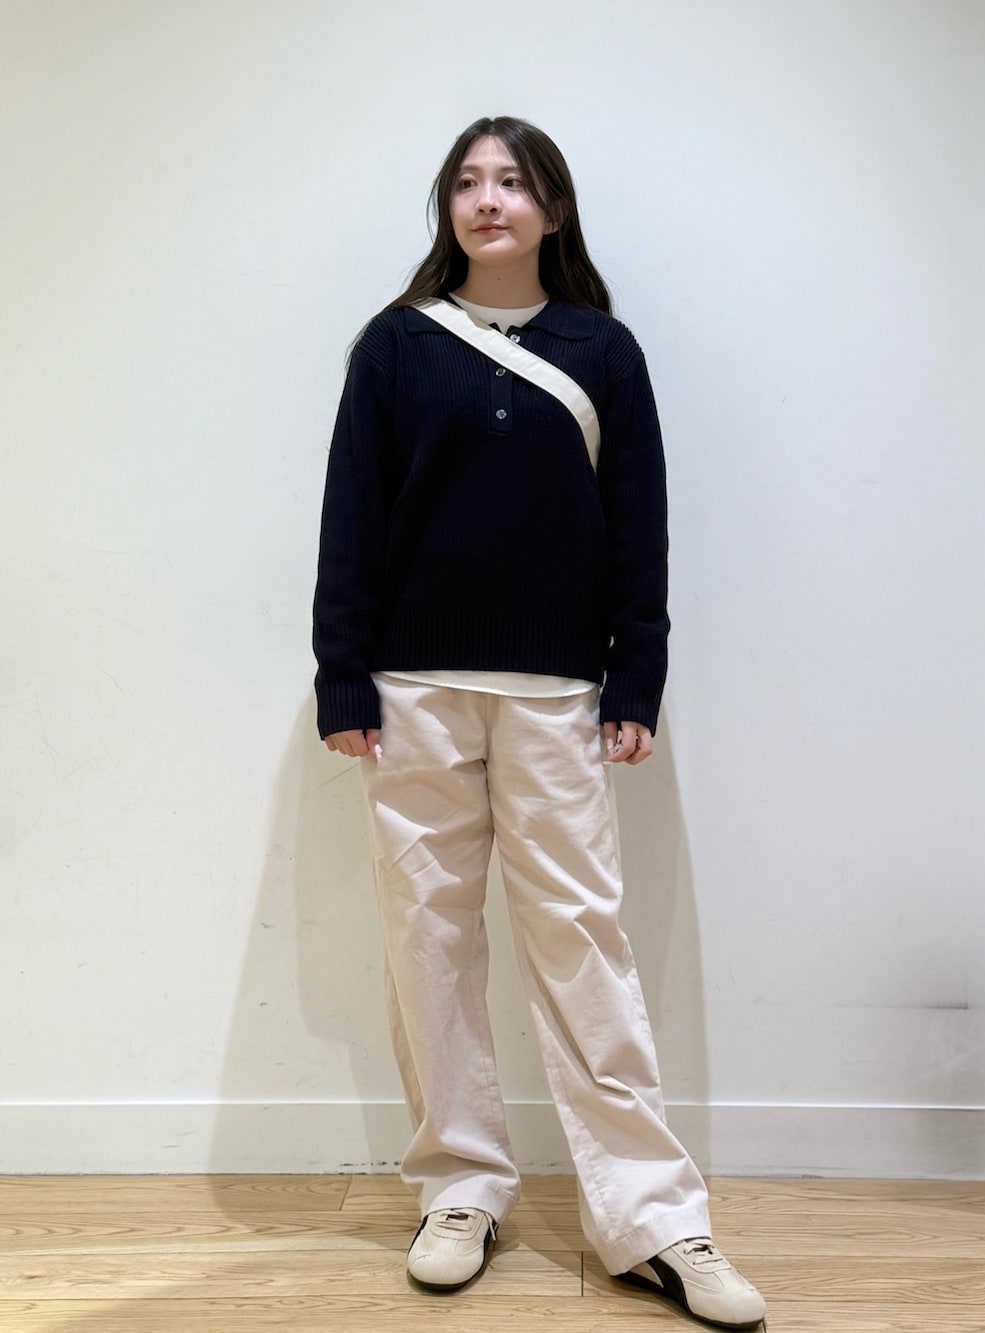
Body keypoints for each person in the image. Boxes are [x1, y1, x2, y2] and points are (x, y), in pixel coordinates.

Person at [312, 115, 766, 1330]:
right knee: (428, 936)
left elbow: (638, 522)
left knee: (581, 942)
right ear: (446, 207)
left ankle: (655, 1219)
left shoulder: (602, 350)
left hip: (559, 693)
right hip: (413, 692)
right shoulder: (396, 345)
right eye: (467, 181)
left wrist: (635, 676)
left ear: (551, 209)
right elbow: (352, 512)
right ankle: (458, 1187)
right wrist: (342, 674)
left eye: (512, 181)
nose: (487, 199)